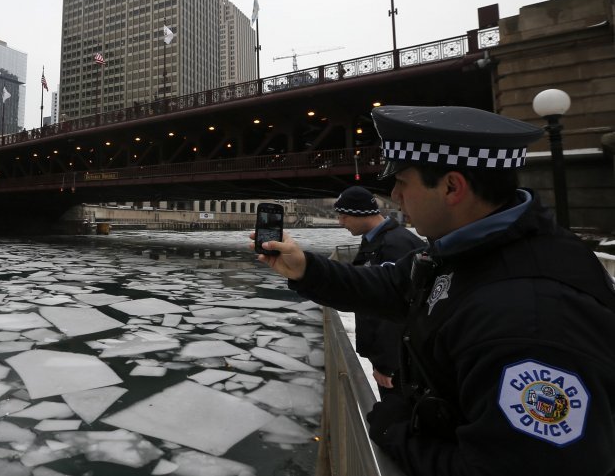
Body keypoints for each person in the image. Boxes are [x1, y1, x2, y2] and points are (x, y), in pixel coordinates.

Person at [253, 105, 615, 475]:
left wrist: (396, 430)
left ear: (451, 187)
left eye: (402, 182)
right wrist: (305, 268)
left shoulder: (533, 317)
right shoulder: (470, 251)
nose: (394, 196)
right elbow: (392, 286)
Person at [334, 185, 424, 398]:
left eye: (344, 217)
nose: (340, 223)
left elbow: (396, 308)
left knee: (397, 412)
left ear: (360, 214)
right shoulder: (381, 240)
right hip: (400, 357)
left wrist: (387, 364)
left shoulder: (394, 246)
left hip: (401, 362)